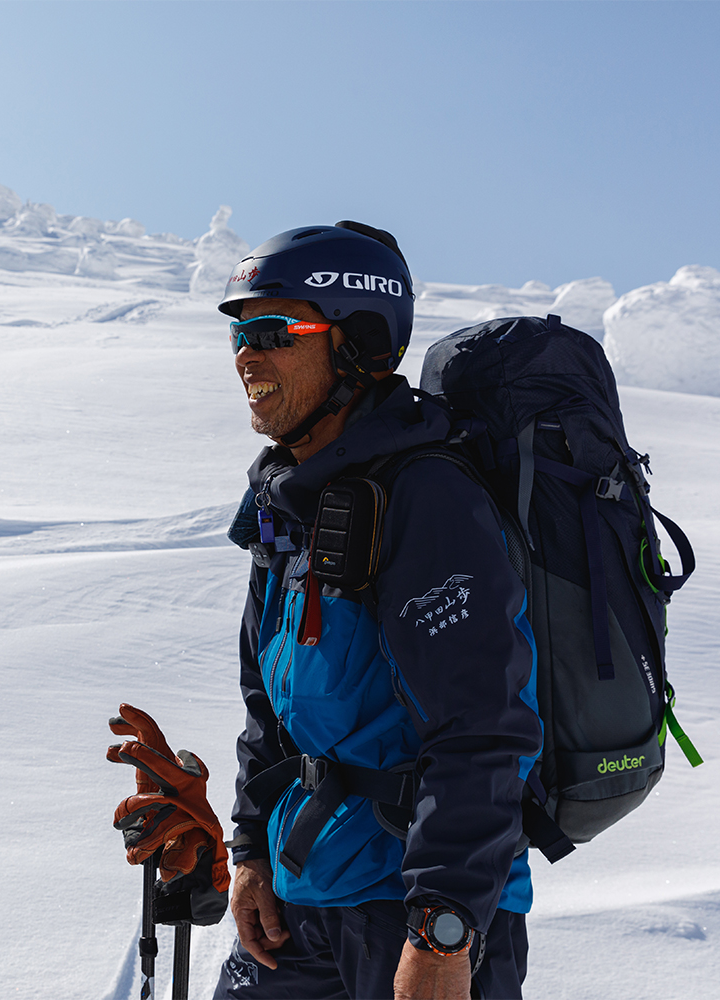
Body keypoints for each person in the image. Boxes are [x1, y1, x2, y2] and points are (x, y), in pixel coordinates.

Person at [213, 223, 543, 1000]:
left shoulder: (426, 498)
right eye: (238, 331)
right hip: (304, 888)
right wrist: (252, 851)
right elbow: (269, 706)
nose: (245, 355)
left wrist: (444, 924)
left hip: (413, 908)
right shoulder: (286, 501)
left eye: (274, 330)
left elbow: (486, 726)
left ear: (359, 342)